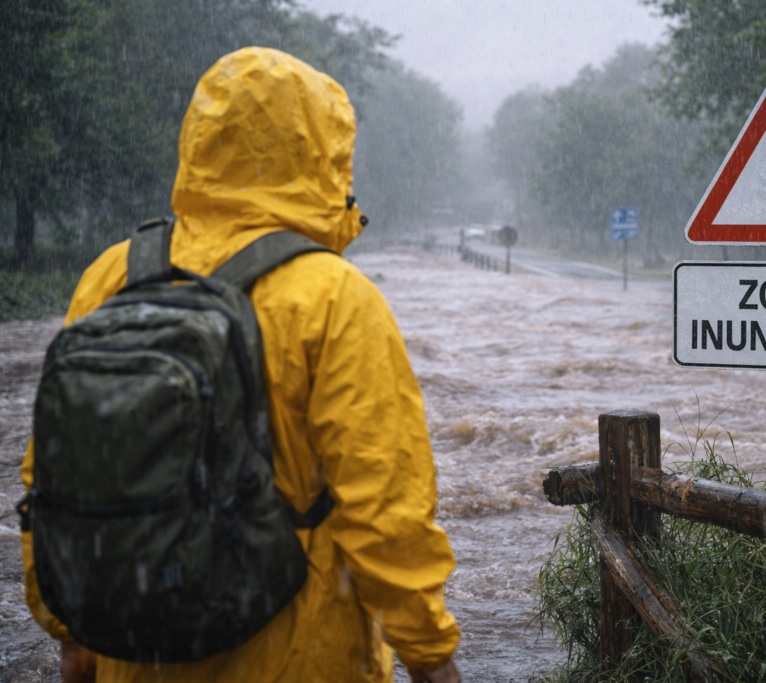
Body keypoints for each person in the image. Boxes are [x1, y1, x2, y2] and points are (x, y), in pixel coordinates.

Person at [20, 47, 462, 683]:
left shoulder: (112, 273)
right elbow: (384, 509)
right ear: (323, 153)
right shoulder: (333, 295)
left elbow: (56, 471)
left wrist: (71, 632)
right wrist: (430, 655)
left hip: (134, 654)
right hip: (294, 658)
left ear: (200, 141)